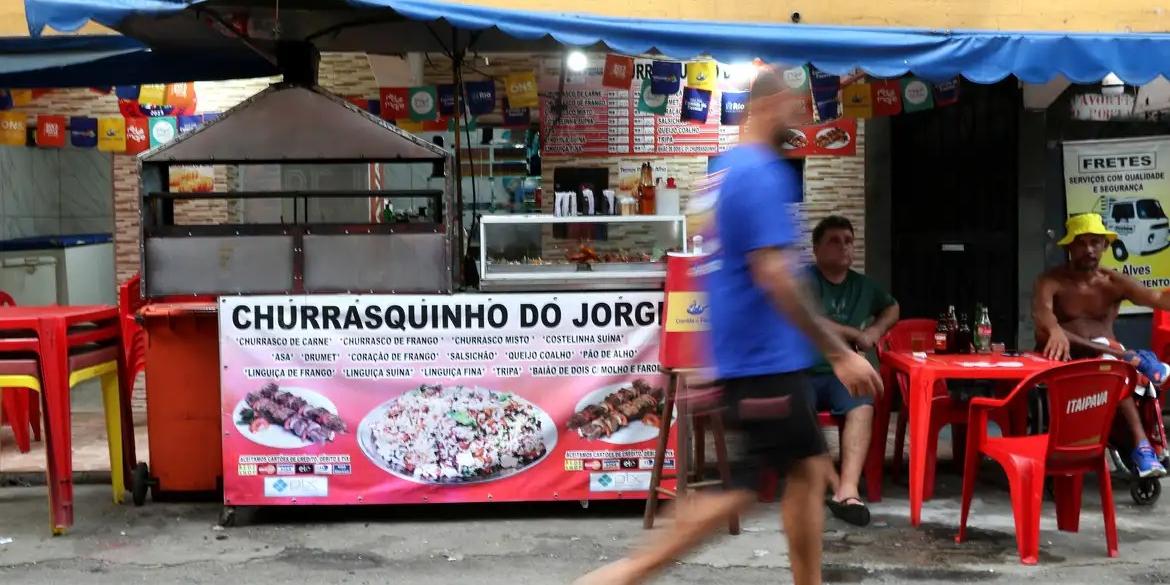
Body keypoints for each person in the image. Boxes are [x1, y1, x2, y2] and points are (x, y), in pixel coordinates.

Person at [574, 67, 881, 585]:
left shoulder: (721, 177)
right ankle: (623, 574)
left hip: (746, 360)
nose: (803, 115)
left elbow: (717, 273)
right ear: (768, 104)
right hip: (765, 363)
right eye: (795, 104)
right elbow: (774, 275)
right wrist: (837, 352)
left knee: (804, 473)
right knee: (743, 491)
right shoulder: (762, 173)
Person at [1033, 212, 1169, 478]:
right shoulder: (1051, 281)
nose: (1089, 249)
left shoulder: (1113, 282)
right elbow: (1042, 312)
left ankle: (1143, 447)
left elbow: (1155, 297)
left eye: (1095, 242)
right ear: (1069, 247)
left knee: (1112, 371)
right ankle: (1134, 358)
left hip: (1107, 365)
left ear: (1106, 246)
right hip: (1065, 360)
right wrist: (1053, 329)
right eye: (1081, 243)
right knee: (1104, 359)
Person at [807, 215, 899, 526]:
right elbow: (809, 320)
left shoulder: (864, 285)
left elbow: (892, 307)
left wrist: (874, 331)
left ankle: (847, 491)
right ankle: (811, 484)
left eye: (848, 240)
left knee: (863, 405)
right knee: (795, 407)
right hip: (801, 370)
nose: (844, 247)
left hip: (841, 375)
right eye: (834, 240)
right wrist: (855, 334)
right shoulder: (803, 280)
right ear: (816, 249)